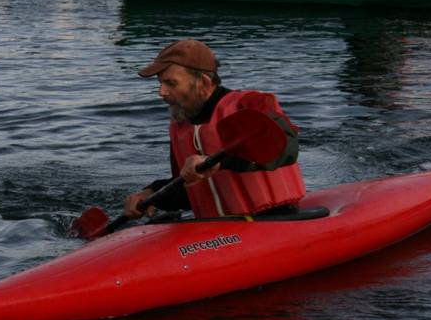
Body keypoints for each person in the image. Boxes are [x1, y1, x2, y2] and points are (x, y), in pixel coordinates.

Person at [122, 40, 305, 220]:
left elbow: (288, 149)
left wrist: (220, 163)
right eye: (160, 83)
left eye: (171, 83)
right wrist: (152, 195)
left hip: (274, 218)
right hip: (217, 228)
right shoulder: (181, 126)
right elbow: (190, 191)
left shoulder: (249, 105)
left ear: (203, 82)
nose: (161, 92)